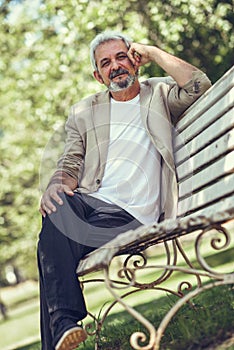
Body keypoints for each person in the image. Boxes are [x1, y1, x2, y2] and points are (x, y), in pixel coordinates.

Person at [37, 31, 211, 350]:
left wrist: (154, 53)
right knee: (55, 210)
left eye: (121, 57)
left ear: (133, 60)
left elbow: (199, 85)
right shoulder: (83, 112)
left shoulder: (158, 92)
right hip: (96, 208)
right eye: (106, 63)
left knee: (49, 240)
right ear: (98, 75)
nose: (115, 66)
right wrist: (56, 185)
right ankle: (62, 324)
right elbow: (71, 160)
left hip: (135, 215)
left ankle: (63, 323)